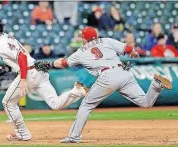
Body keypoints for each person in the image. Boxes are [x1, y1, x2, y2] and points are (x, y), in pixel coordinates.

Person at [34, 26, 172, 143]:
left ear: (83, 38)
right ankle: (155, 85)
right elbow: (127, 48)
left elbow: (63, 63)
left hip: (107, 76)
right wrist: (134, 53)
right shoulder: (106, 40)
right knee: (145, 103)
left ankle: (74, 136)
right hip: (124, 72)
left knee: (86, 105)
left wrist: (48, 63)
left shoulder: (80, 51)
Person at [0, 18, 88, 141]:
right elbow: (18, 60)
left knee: (8, 102)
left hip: (28, 73)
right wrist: (5, 69)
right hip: (38, 70)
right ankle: (76, 91)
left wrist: (22, 81)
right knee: (55, 104)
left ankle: (23, 133)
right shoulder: (7, 37)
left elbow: (21, 58)